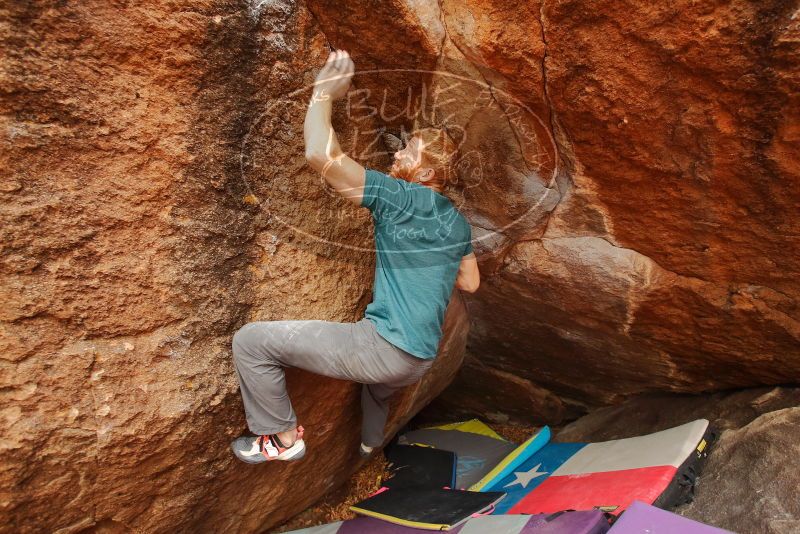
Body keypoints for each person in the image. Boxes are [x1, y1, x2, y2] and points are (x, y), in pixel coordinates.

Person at [230, 50, 480, 463]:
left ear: (424, 175)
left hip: (383, 350)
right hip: (420, 357)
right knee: (377, 389)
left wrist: (323, 93)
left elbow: (319, 155)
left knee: (251, 342)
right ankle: (369, 445)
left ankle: (281, 440)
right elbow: (469, 282)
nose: (398, 154)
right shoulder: (457, 223)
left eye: (410, 152)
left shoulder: (399, 196)